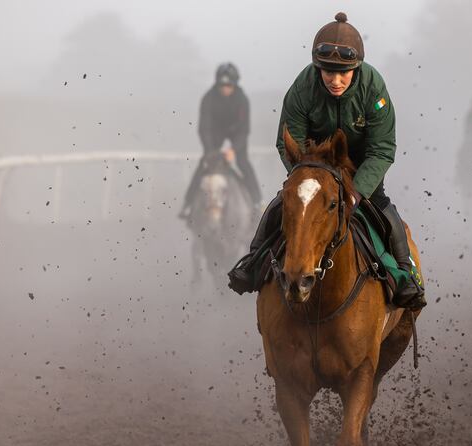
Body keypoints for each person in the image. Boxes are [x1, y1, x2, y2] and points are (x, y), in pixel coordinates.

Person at [227, 12, 426, 310]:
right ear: (317, 68)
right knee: (284, 203)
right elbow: (287, 140)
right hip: (315, 166)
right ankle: (252, 262)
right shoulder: (302, 87)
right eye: (327, 72)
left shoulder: (373, 88)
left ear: (356, 68)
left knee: (385, 212)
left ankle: (406, 274)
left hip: (361, 169)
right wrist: (307, 178)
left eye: (343, 73)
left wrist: (356, 191)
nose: (335, 80)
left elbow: (383, 147)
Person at [179, 62, 261, 218]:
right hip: (215, 132)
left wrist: (233, 150)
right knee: (204, 163)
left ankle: (257, 201)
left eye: (229, 85)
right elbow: (204, 128)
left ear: (235, 85)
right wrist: (210, 151)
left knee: (243, 162)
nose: (225, 88)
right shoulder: (208, 98)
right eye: (222, 85)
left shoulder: (242, 99)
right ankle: (188, 203)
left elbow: (244, 130)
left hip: (236, 132)